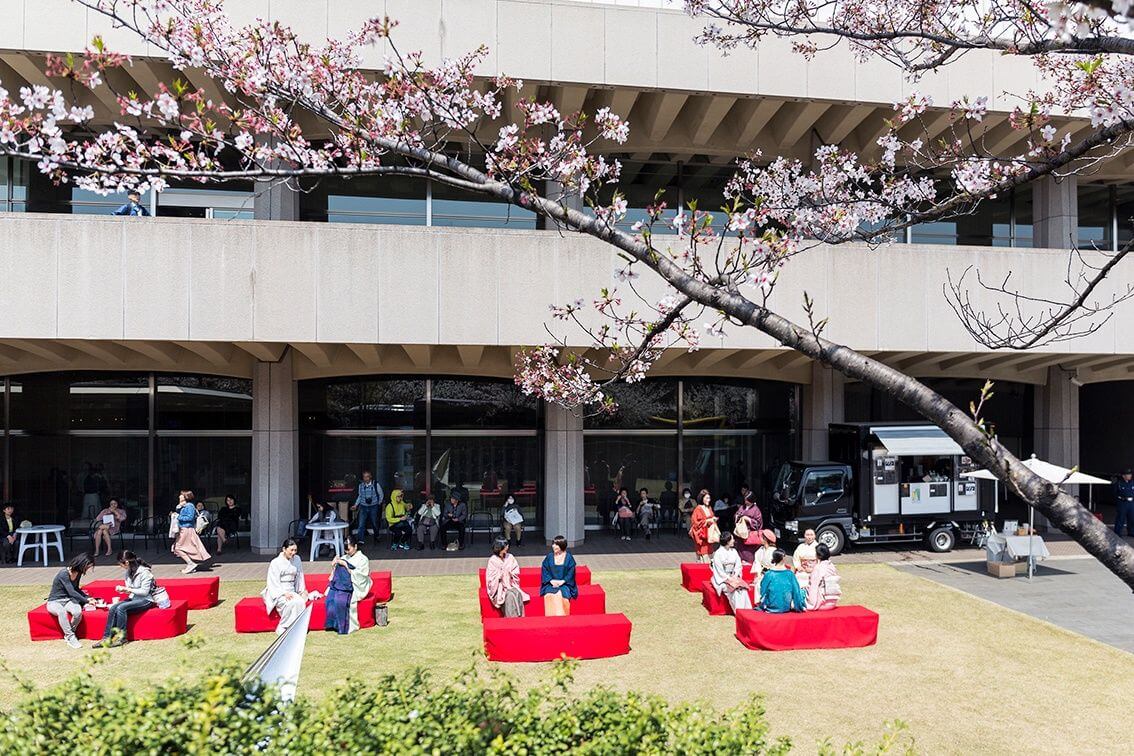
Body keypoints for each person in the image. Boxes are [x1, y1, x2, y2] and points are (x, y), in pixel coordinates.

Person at [94, 550, 170, 649]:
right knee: (113, 608)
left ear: (126, 562)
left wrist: (127, 589)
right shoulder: (128, 572)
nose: (120, 566)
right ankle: (106, 637)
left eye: (120, 564)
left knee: (121, 608)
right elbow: (130, 589)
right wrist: (123, 590)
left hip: (146, 600)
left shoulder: (145, 572)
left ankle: (122, 638)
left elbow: (144, 592)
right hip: (134, 598)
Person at [45, 553, 98, 649]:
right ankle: (71, 637)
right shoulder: (64, 573)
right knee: (62, 612)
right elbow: (71, 591)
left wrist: (87, 597)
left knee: (77, 612)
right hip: (55, 601)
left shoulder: (78, 573)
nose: (87, 569)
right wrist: (86, 600)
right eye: (87, 567)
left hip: (68, 600)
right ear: (82, 564)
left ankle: (69, 634)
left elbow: (76, 588)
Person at [262, 538, 310, 635]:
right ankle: (283, 625)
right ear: (284, 549)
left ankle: (297, 626)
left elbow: (299, 576)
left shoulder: (297, 559)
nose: (293, 553)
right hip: (279, 591)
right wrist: (283, 593)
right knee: (290, 603)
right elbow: (273, 582)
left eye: (295, 550)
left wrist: (301, 590)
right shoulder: (275, 562)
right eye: (291, 550)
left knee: (300, 602)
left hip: (292, 589)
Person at [711, 531, 753, 612]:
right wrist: (728, 578)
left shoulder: (734, 551)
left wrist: (736, 575)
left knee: (742, 589)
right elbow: (719, 570)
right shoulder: (718, 554)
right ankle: (739, 612)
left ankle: (747, 611)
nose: (734, 541)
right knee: (735, 591)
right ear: (727, 541)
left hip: (734, 576)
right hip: (723, 579)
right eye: (732, 539)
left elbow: (738, 565)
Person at [486, 537, 527, 618]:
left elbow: (516, 571)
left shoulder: (510, 557)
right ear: (499, 547)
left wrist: (511, 573)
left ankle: (520, 618)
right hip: (499, 588)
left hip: (510, 584)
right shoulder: (492, 560)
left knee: (517, 593)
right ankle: (511, 619)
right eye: (505, 546)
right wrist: (499, 576)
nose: (507, 547)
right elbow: (491, 578)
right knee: (509, 595)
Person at [172, 490, 211, 574]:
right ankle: (191, 564)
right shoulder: (183, 505)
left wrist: (178, 516)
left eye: (181, 495)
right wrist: (179, 507)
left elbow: (190, 518)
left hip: (186, 529)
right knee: (185, 547)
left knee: (178, 548)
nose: (179, 496)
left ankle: (190, 563)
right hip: (184, 529)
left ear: (185, 497)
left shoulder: (189, 506)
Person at [540, 535, 577, 617]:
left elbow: (571, 573)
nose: (553, 546)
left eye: (556, 544)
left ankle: (562, 618)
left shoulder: (569, 558)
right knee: (549, 595)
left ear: (561, 545)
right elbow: (544, 570)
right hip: (550, 583)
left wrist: (562, 581)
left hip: (565, 584)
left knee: (560, 595)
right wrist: (550, 580)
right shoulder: (549, 557)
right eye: (553, 544)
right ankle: (550, 619)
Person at [806, 543, 842, 611]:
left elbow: (814, 587)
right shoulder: (831, 566)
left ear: (818, 555)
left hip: (822, 603)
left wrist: (811, 605)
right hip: (833, 602)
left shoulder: (818, 568)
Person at [352, 470, 384, 545]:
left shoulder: (376, 484)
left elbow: (381, 494)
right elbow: (360, 496)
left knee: (374, 523)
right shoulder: (361, 485)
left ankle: (376, 536)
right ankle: (360, 540)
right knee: (361, 524)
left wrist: (378, 503)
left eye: (367, 477)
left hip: (373, 506)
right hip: (363, 506)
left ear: (370, 477)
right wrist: (356, 505)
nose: (365, 478)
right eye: (364, 477)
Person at [689, 489, 718, 563]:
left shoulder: (709, 508)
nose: (709, 500)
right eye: (707, 498)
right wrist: (707, 521)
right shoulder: (698, 509)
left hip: (709, 535)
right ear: (702, 498)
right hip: (702, 536)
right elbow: (695, 523)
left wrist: (713, 520)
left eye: (709, 498)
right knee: (704, 555)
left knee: (710, 554)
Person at [734, 497, 763, 565]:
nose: (746, 501)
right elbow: (736, 514)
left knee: (749, 555)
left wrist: (749, 520)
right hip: (741, 533)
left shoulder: (756, 510)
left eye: (747, 500)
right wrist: (737, 516)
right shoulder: (742, 507)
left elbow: (758, 523)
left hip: (750, 534)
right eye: (745, 500)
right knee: (740, 552)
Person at [1115, 469, 1134, 537]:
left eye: (1130, 474)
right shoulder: (1119, 483)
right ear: (1123, 476)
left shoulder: (1132, 483)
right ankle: (1117, 532)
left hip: (1131, 503)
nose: (1130, 476)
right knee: (1120, 518)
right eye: (1128, 474)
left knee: (1132, 518)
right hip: (1122, 502)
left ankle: (1131, 532)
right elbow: (1115, 493)